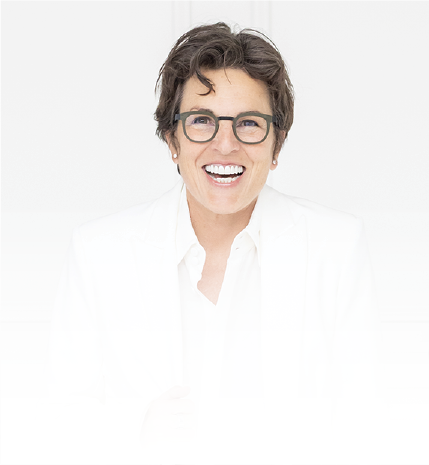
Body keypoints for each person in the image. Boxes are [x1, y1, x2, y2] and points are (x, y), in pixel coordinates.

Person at [49, 22, 380, 464]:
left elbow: (365, 422)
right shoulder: (98, 254)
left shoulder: (336, 249)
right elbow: (62, 421)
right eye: (202, 121)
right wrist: (139, 431)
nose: (226, 145)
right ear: (172, 138)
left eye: (249, 123)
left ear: (277, 145)